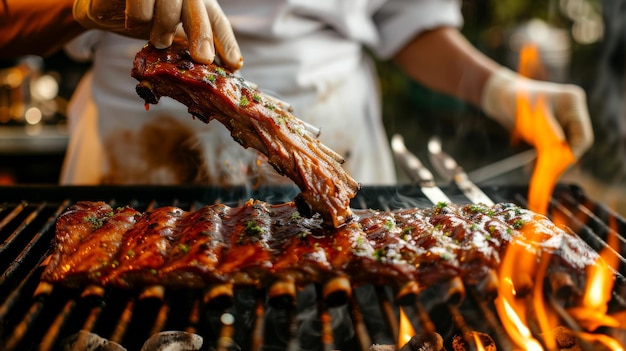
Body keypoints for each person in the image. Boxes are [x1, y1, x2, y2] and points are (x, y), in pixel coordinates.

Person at [1, 0, 594, 187]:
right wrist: (80, 4)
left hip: (333, 145)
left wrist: (505, 91)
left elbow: (408, 18)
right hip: (134, 164)